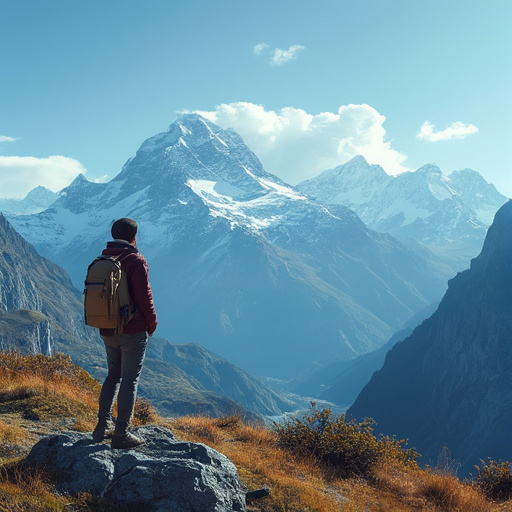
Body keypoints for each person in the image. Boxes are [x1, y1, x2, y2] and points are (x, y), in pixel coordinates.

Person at [92, 218, 158, 449]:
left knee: (113, 376)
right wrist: (152, 322)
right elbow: (144, 295)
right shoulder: (134, 260)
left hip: (107, 328)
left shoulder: (103, 258)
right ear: (134, 237)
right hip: (132, 329)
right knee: (130, 379)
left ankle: (101, 427)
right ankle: (121, 433)